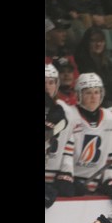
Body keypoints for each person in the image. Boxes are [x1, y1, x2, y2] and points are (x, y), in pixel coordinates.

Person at [46, 63, 78, 209]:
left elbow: (68, 146)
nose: (47, 86)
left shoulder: (67, 111)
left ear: (57, 84)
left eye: (51, 82)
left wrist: (65, 175)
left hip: (53, 179)